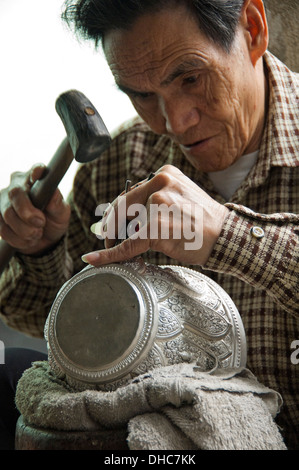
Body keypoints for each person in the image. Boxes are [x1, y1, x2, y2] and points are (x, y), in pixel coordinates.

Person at [0, 0, 298, 450]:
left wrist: (225, 233)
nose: (174, 122)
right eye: (141, 94)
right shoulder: (119, 162)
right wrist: (43, 249)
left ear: (253, 29)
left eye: (191, 78)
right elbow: (72, 342)